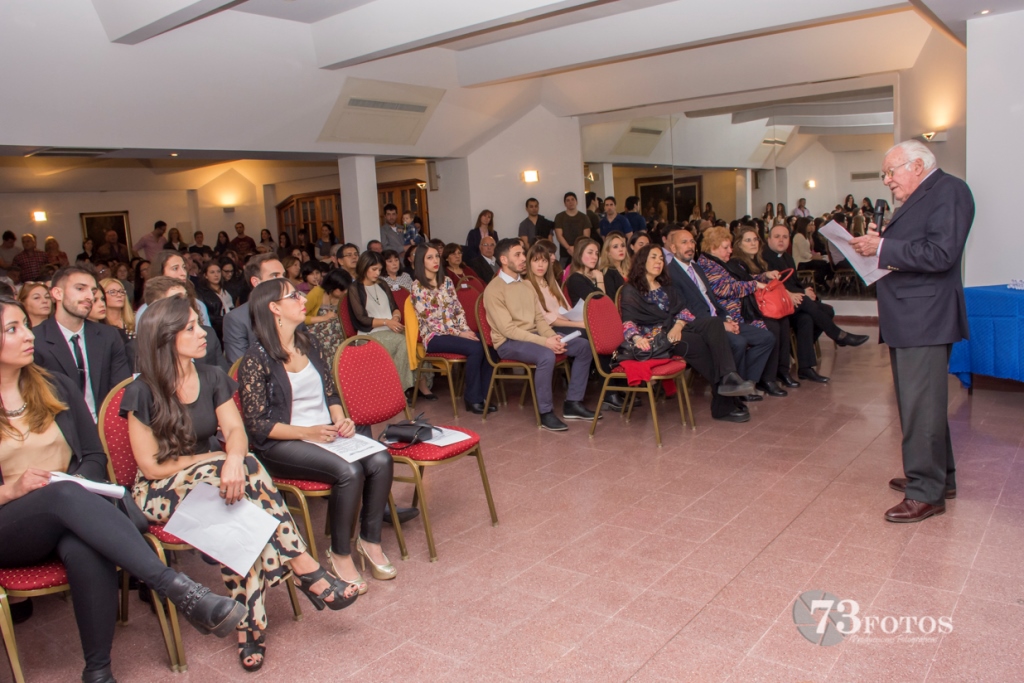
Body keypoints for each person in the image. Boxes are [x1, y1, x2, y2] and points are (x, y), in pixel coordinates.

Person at [0, 295, 248, 683]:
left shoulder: (54, 386)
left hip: (71, 512)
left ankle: (98, 672)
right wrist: (12, 489)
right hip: (10, 524)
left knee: (85, 544)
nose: (28, 335)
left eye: (24, 325)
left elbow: (94, 457)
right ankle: (173, 587)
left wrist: (75, 481)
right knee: (63, 495)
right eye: (12, 329)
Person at [124, 296, 358, 671]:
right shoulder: (141, 390)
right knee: (236, 482)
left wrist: (232, 458)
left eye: (199, 324)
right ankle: (305, 567)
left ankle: (249, 625)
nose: (203, 333)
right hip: (160, 492)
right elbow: (151, 467)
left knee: (237, 510)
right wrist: (218, 460)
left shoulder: (212, 376)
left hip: (217, 482)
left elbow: (235, 430)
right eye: (191, 328)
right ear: (166, 338)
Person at [238, 278, 396, 591]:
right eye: (293, 295)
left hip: (324, 434)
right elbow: (258, 425)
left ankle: (369, 540)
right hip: (283, 443)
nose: (302, 299)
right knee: (349, 471)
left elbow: (330, 393)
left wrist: (341, 420)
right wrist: (308, 431)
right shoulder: (256, 358)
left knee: (381, 458)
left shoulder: (307, 343)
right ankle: (339, 554)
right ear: (274, 308)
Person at [849, 139, 974, 523]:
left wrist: (883, 248)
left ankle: (925, 493)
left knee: (920, 405)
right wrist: (877, 246)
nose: (887, 180)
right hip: (910, 315)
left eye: (891, 171)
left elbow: (941, 253)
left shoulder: (949, 190)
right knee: (921, 404)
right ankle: (940, 477)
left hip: (926, 316)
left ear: (917, 166)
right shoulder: (920, 197)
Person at [620, 243, 756, 419]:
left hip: (676, 329)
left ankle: (729, 376)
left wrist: (678, 326)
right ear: (641, 261)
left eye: (661, 258)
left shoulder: (665, 286)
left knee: (714, 323)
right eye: (653, 257)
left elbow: (684, 312)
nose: (658, 262)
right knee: (700, 344)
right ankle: (724, 402)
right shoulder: (631, 289)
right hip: (656, 338)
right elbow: (628, 321)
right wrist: (637, 338)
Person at [483, 238, 596, 432]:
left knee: (583, 346)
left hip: (533, 336)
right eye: (517, 255)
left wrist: (553, 337)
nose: (522, 259)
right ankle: (545, 413)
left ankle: (573, 403)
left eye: (522, 254)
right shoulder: (493, 289)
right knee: (546, 355)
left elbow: (540, 320)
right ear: (503, 259)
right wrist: (546, 342)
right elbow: (508, 330)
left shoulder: (527, 285)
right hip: (508, 342)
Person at [663, 227, 766, 419]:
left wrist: (726, 317)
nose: (690, 246)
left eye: (692, 242)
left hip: (716, 320)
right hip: (695, 326)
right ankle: (729, 397)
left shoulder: (697, 268)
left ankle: (733, 396)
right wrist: (720, 323)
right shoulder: (671, 274)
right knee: (737, 343)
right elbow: (682, 310)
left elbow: (712, 300)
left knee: (760, 337)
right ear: (673, 247)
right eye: (684, 242)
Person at [762, 224, 868, 383]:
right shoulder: (765, 257)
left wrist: (805, 289)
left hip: (794, 303)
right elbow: (773, 285)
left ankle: (804, 367)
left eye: (785, 237)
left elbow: (795, 282)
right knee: (809, 307)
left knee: (818, 314)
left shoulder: (787, 257)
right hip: (776, 305)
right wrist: (800, 294)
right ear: (769, 239)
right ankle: (838, 335)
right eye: (777, 237)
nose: (781, 240)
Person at [31, 266, 131, 422]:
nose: (89, 297)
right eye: (80, 289)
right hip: (59, 430)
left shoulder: (108, 336)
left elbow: (120, 390)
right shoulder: (36, 340)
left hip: (104, 427)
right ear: (57, 293)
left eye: (92, 291)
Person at [697, 227, 788, 398]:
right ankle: (748, 383)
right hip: (727, 318)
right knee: (762, 335)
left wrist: (763, 277)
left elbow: (741, 278)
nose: (730, 250)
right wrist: (754, 285)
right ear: (712, 247)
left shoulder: (719, 262)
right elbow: (725, 288)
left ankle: (749, 382)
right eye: (726, 247)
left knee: (768, 336)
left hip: (737, 315)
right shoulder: (707, 265)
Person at [410, 244, 495, 415]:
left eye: (436, 256)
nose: (435, 260)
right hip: (434, 337)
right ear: (421, 261)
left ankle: (484, 396)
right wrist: (459, 333)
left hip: (455, 332)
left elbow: (457, 310)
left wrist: (465, 329)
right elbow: (431, 321)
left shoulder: (447, 281)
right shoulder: (417, 287)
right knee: (476, 348)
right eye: (429, 257)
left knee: (489, 345)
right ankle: (472, 399)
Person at [348, 251, 431, 397]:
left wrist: (396, 317)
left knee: (417, 340)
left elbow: (394, 307)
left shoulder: (382, 283)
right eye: (373, 269)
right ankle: (399, 389)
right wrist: (387, 322)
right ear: (363, 268)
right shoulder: (355, 288)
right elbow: (362, 318)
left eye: (379, 269)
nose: (377, 273)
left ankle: (422, 383)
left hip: (390, 327)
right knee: (404, 343)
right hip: (370, 334)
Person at [727, 226, 794, 392]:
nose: (752, 243)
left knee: (784, 322)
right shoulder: (736, 262)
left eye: (755, 239)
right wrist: (762, 278)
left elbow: (755, 278)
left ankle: (782, 370)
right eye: (747, 240)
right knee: (772, 327)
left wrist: (766, 275)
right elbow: (745, 283)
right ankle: (767, 378)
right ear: (739, 245)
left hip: (760, 306)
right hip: (746, 311)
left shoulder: (759, 260)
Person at [222, 254, 285, 363]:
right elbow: (240, 366)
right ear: (256, 282)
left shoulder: (292, 309)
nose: (283, 280)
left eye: (283, 275)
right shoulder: (236, 319)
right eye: (275, 276)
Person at [136, 251, 212, 327]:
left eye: (184, 267)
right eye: (175, 268)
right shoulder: (146, 311)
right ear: (161, 273)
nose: (183, 273)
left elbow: (208, 336)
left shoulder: (198, 305)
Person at [303, 268, 348, 360]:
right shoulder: (317, 293)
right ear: (331, 286)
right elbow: (298, 317)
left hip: (338, 340)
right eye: (341, 289)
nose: (345, 292)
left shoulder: (345, 297)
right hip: (318, 339)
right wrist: (322, 318)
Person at [195, 260, 232, 339]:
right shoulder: (201, 292)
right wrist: (225, 320)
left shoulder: (227, 288)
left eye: (218, 272)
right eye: (212, 272)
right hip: (215, 330)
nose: (216, 275)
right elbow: (207, 315)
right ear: (206, 275)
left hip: (230, 328)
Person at [564, 237, 605, 306]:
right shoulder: (575, 279)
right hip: (584, 316)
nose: (595, 257)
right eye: (590, 253)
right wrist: (600, 279)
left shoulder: (593, 274)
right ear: (579, 255)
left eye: (596, 253)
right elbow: (599, 302)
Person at [553, 192, 591, 265]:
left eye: (572, 199)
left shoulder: (584, 217)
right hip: (565, 253)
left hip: (580, 252)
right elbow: (559, 235)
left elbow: (586, 237)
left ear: (576, 202)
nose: (570, 202)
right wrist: (568, 248)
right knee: (562, 275)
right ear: (565, 203)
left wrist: (577, 249)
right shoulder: (559, 217)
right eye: (568, 200)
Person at [792, 218, 831, 287]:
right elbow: (803, 253)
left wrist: (817, 255)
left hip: (807, 260)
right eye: (810, 225)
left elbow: (808, 251)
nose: (812, 227)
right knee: (823, 264)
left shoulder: (806, 236)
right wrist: (815, 257)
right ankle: (819, 281)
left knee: (827, 263)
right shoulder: (799, 236)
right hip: (801, 262)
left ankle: (821, 281)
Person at [99, 277, 134, 343]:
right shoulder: (98, 324)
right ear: (102, 296)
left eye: (121, 291)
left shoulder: (135, 320)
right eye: (112, 292)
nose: (119, 295)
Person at [598, 231, 630, 302]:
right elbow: (611, 300)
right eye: (615, 247)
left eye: (623, 246)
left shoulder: (630, 268)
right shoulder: (607, 272)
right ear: (608, 252)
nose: (621, 249)